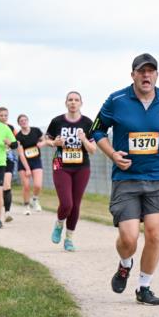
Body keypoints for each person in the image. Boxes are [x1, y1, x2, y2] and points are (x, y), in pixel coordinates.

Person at [92, 53, 159, 305]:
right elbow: (97, 128)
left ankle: (144, 287)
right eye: (141, 71)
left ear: (156, 74)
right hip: (127, 178)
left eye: (151, 71)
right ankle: (125, 264)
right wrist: (112, 154)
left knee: (154, 234)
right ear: (132, 74)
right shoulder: (117, 99)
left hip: (157, 177)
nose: (146, 75)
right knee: (129, 238)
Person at [44, 92, 96, 251]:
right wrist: (54, 142)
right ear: (66, 102)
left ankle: (69, 238)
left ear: (81, 103)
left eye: (76, 100)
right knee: (67, 203)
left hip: (81, 167)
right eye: (70, 100)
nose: (73, 103)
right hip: (61, 164)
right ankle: (59, 223)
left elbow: (93, 149)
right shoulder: (57, 121)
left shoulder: (88, 123)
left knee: (76, 204)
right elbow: (46, 140)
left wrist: (84, 140)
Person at [14, 113, 44, 214]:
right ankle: (26, 206)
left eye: (25, 120)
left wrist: (41, 143)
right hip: (24, 163)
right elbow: (21, 154)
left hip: (36, 160)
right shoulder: (18, 136)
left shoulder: (36, 130)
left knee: (38, 185)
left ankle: (35, 199)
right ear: (19, 124)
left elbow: (44, 140)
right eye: (21, 121)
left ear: (28, 120)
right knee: (26, 185)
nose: (23, 122)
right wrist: (27, 169)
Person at [0, 107, 18, 222]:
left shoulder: (11, 128)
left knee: (7, 185)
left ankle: (7, 212)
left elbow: (16, 143)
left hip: (8, 159)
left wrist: (11, 143)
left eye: (6, 115)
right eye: (1, 115)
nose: (4, 117)